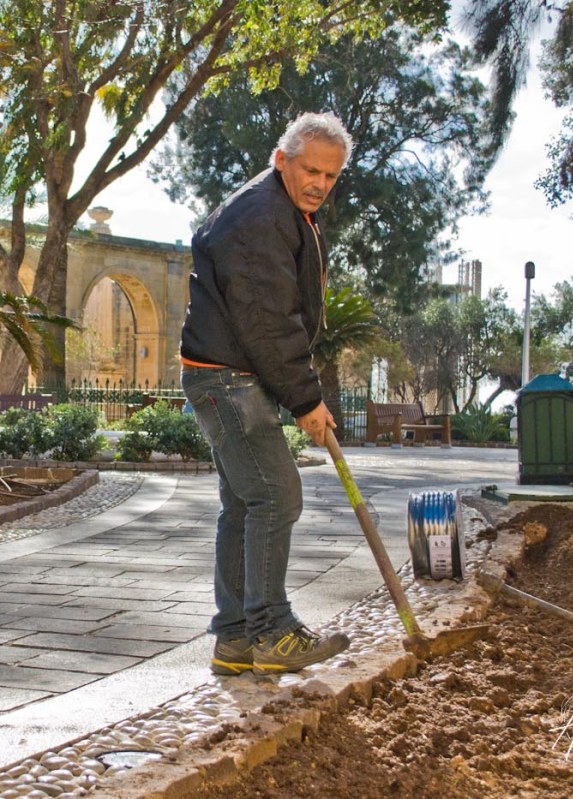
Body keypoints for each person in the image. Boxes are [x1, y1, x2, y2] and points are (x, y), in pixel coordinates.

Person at [179, 111, 352, 676]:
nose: (319, 184)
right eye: (311, 170)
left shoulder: (279, 210)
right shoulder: (260, 216)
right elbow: (267, 321)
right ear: (282, 160)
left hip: (227, 375)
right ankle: (272, 631)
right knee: (277, 496)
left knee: (245, 503)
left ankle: (235, 640)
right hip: (227, 379)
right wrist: (305, 399)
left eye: (330, 176)